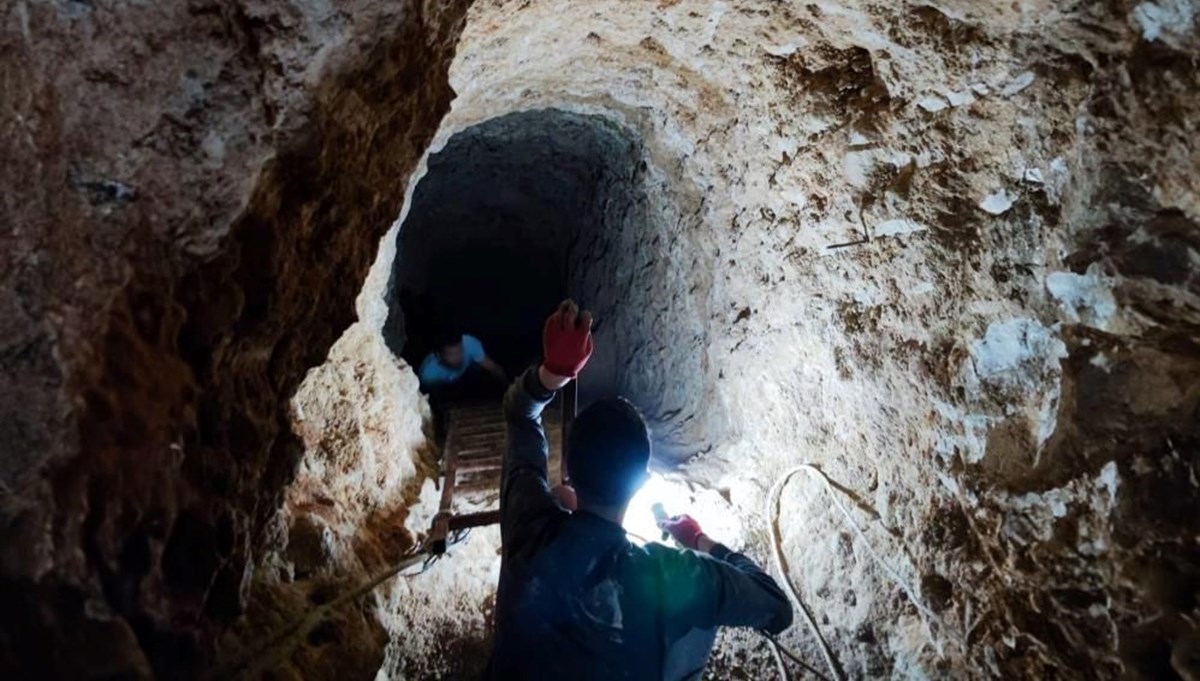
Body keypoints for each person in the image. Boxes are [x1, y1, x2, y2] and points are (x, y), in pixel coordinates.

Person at [489, 300, 793, 680]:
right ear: (643, 480)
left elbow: (520, 414)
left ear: (568, 469)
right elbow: (777, 608)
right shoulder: (679, 578)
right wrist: (700, 541)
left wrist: (555, 373)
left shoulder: (528, 528)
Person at [417, 331, 507, 391]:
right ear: (438, 355)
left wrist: (508, 388)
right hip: (444, 386)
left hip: (467, 372)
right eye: (451, 354)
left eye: (460, 351)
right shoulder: (428, 374)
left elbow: (494, 368)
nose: (458, 357)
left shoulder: (470, 343)